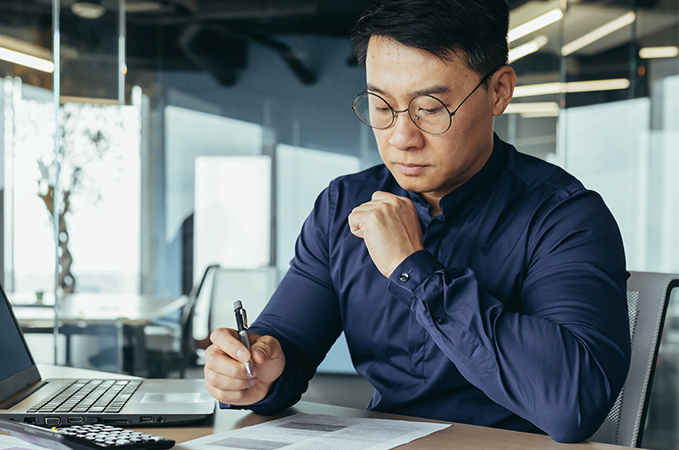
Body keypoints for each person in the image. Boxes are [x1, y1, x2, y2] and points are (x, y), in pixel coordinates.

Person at [200, 0, 630, 443]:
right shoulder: (343, 205)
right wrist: (256, 373)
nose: (401, 138)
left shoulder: (564, 216)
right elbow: (287, 342)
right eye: (381, 107)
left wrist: (414, 269)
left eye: (429, 107)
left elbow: (574, 404)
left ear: (499, 91)